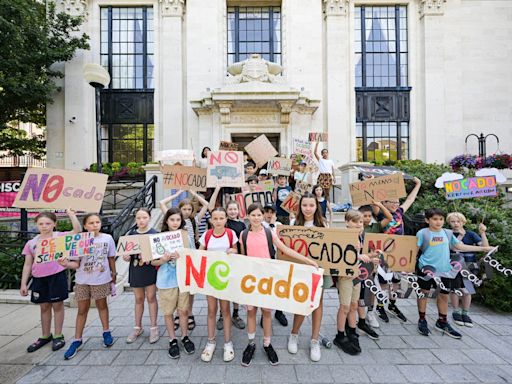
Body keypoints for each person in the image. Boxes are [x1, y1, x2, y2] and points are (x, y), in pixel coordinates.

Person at [239, 203, 319, 367]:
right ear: (247, 216)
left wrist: (307, 261)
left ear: (263, 216)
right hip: (250, 281)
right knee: (251, 312)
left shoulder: (269, 233)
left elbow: (286, 250)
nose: (256, 218)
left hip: (268, 281)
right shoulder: (243, 234)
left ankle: (267, 344)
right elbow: (241, 257)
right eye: (252, 215)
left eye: (259, 215)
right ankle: (251, 343)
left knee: (267, 313)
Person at [416, 208, 494, 338]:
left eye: (441, 219)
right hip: (426, 268)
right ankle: (422, 320)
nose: (438, 222)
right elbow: (413, 250)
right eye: (434, 219)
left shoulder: (447, 233)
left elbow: (459, 246)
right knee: (423, 294)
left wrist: (483, 248)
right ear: (427, 220)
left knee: (443, 296)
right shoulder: (422, 233)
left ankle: (442, 321)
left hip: (445, 270)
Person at [20, 210, 81, 353]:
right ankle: (45, 335)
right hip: (39, 278)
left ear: (54, 224)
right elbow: (28, 264)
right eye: (41, 224)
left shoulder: (59, 236)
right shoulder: (32, 243)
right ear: (36, 225)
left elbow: (77, 231)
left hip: (56, 276)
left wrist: (71, 214)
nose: (44, 226)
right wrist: (24, 283)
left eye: (48, 223)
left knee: (57, 305)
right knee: (44, 307)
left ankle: (58, 335)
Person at [61, 213, 117, 360]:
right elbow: (76, 263)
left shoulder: (107, 238)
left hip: (101, 278)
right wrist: (65, 263)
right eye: (91, 223)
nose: (95, 225)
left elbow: (111, 257)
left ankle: (106, 331)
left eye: (97, 222)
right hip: (82, 280)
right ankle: (77, 339)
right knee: (82, 309)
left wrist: (114, 274)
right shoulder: (80, 240)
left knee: (102, 305)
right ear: (85, 226)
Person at [287, 192, 329, 361]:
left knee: (318, 303)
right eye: (305, 205)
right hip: (301, 271)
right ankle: (294, 334)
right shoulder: (293, 223)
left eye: (311, 205)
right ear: (300, 206)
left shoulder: (324, 224)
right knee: (302, 303)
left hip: (319, 270)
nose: (308, 208)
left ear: (316, 206)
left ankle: (314, 340)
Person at [376, 176, 422, 323]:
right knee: (383, 280)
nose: (396, 204)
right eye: (392, 202)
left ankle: (393, 304)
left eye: (397, 202)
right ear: (384, 202)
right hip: (384, 250)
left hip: (399, 250)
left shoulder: (400, 212)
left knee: (396, 280)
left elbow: (410, 200)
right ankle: (380, 306)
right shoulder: (381, 214)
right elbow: (374, 203)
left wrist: (418, 185)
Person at [151, 208, 195, 358]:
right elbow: (152, 261)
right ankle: (172, 339)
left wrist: (182, 257)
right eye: (172, 220)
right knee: (168, 312)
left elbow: (193, 256)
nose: (175, 223)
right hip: (165, 281)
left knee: (183, 311)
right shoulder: (159, 238)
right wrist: (162, 260)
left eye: (178, 220)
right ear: (166, 221)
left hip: (182, 279)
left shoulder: (186, 237)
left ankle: (184, 336)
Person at [199, 207, 238, 362]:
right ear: (211, 220)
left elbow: (236, 250)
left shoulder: (230, 234)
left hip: (226, 279)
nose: (218, 221)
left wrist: (233, 251)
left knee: (225, 310)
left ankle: (228, 343)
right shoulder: (206, 235)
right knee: (211, 310)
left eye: (221, 218)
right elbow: (198, 253)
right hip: (210, 278)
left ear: (226, 219)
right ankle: (211, 341)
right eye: (215, 218)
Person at [333, 210, 372, 356]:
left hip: (357, 275)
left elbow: (362, 257)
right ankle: (340, 335)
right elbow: (340, 255)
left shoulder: (361, 237)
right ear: (347, 222)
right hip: (345, 276)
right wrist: (358, 256)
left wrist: (371, 257)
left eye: (361, 222)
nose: (358, 224)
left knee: (354, 304)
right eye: (355, 222)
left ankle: (352, 330)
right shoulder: (343, 236)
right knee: (345, 306)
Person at [122, 208, 159, 344]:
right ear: (135, 219)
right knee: (138, 298)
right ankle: (137, 327)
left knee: (151, 297)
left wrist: (150, 256)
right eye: (138, 218)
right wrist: (126, 256)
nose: (141, 220)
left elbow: (159, 253)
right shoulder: (131, 234)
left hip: (150, 268)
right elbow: (127, 256)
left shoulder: (155, 234)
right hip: (136, 268)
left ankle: (154, 327)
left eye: (144, 217)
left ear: (149, 218)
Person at [447, 212, 489, 327]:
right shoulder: (447, 234)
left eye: (458, 221)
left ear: (463, 222)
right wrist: (459, 236)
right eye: (453, 221)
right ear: (449, 223)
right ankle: (456, 312)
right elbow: (454, 247)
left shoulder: (471, 234)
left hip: (470, 265)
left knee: (468, 289)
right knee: (455, 288)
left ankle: (465, 313)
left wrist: (482, 233)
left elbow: (485, 247)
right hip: (453, 265)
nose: (456, 224)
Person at [358, 203, 392, 329]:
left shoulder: (375, 226)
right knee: (361, 291)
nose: (367, 218)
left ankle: (370, 313)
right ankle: (360, 315)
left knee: (371, 288)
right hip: (360, 263)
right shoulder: (357, 228)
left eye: (369, 215)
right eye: (364, 216)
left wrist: (379, 205)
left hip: (373, 264)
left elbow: (389, 218)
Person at [222, 200, 247, 330]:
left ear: (238, 210)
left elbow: (243, 243)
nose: (232, 211)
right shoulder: (223, 223)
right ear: (226, 210)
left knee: (236, 288)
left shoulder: (242, 225)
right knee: (223, 287)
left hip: (237, 260)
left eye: (234, 209)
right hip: (223, 261)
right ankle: (222, 314)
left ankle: (235, 314)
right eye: (230, 209)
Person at [262, 204, 287, 327]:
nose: (269, 214)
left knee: (279, 287)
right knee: (266, 287)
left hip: (278, 261)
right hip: (265, 261)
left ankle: (279, 312)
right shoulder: (259, 226)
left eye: (272, 212)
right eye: (266, 211)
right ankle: (264, 314)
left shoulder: (279, 226)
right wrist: (271, 225)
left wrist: (273, 224)